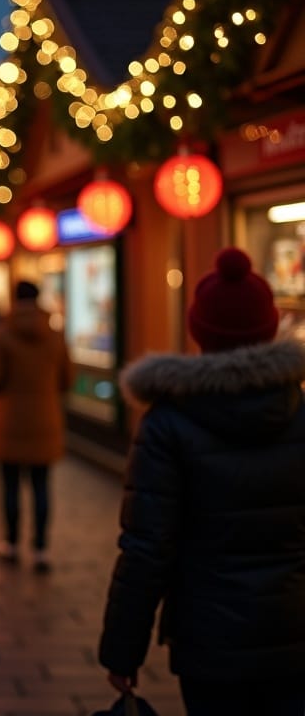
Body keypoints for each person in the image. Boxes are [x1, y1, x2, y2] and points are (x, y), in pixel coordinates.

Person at [98, 247, 305, 716]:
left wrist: (122, 649)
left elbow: (148, 546)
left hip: (209, 638)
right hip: (294, 631)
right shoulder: (299, 413)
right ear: (270, 327)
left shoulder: (168, 424)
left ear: (199, 332)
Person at [0, 280, 72, 572]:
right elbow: (67, 379)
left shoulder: (1, 334)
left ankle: (12, 544)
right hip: (45, 419)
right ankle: (41, 548)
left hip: (9, 422)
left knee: (11, 486)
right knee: (42, 486)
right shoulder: (55, 335)